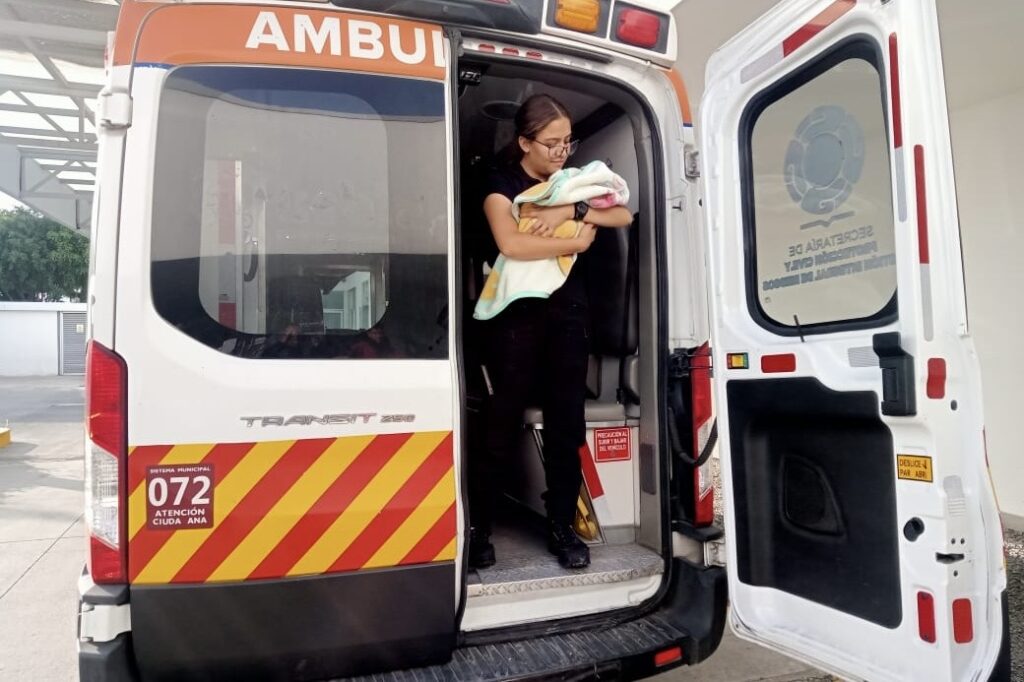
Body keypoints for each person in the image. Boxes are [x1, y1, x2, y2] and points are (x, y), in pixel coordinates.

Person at [470, 94, 632, 569]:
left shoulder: (573, 185)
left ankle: (562, 525)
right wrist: (578, 238)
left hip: (570, 317)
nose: (563, 152)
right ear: (524, 141)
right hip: (518, 317)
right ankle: (480, 527)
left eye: (568, 142)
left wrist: (570, 215)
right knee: (500, 422)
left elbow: (620, 214)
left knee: (568, 425)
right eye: (552, 143)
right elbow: (511, 243)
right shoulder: (500, 182)